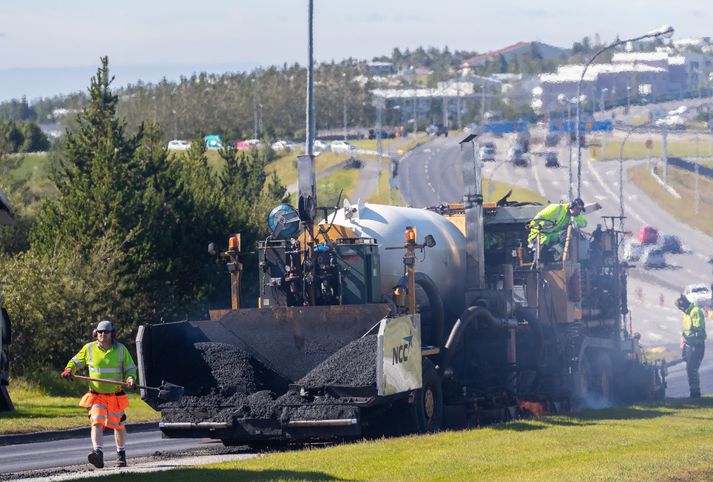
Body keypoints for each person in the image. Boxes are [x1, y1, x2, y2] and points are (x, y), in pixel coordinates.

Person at [61, 320, 137, 468]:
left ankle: (121, 454)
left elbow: (130, 369)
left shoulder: (121, 349)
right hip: (97, 396)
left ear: (112, 334)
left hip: (115, 396)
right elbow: (75, 362)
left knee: (119, 425)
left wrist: (130, 379)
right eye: (100, 332)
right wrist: (69, 370)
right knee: (96, 421)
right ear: (96, 333)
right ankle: (98, 453)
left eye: (105, 332)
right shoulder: (89, 348)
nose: (102, 335)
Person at [676, 294, 706, 398]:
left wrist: (688, 337)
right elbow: (686, 330)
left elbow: (700, 332)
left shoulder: (695, 312)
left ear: (684, 305)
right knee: (689, 369)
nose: (681, 310)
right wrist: (683, 342)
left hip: (696, 345)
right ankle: (693, 391)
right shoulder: (686, 314)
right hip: (688, 345)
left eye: (681, 308)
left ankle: (695, 393)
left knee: (692, 368)